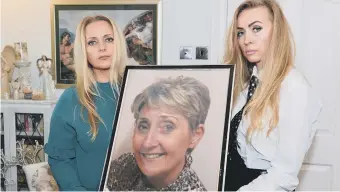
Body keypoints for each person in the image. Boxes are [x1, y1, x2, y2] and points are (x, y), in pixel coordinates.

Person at [222, 0, 323, 191]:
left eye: (257, 29)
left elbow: (284, 175)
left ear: (276, 32)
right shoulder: (244, 84)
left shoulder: (294, 88)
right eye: (240, 32)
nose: (246, 40)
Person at [44, 15, 128, 191]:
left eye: (108, 39)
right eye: (92, 42)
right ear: (84, 50)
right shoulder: (71, 99)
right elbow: (60, 159)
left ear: (118, 43)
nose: (102, 48)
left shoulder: (139, 92)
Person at [106, 76, 210, 191]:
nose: (148, 143)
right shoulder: (125, 165)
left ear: (195, 136)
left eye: (168, 127)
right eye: (143, 126)